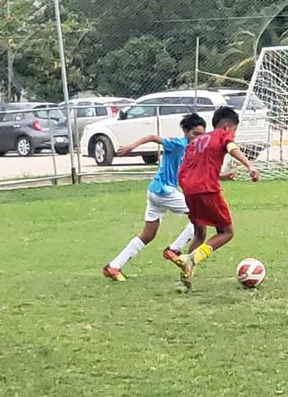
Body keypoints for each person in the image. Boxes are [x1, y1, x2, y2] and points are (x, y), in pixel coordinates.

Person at [103, 113, 212, 282]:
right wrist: (131, 147)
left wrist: (223, 175)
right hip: (164, 191)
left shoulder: (194, 149)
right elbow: (153, 137)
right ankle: (174, 250)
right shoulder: (177, 144)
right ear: (185, 131)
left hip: (155, 192)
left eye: (201, 135)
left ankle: (114, 266)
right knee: (202, 215)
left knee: (148, 234)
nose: (197, 138)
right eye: (194, 134)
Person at [177, 106, 259, 290]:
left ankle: (185, 276)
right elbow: (231, 148)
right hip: (207, 190)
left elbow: (192, 167)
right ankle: (192, 258)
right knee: (226, 232)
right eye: (235, 130)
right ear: (227, 126)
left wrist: (220, 176)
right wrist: (249, 165)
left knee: (199, 234)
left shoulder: (196, 141)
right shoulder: (222, 135)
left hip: (189, 190)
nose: (234, 135)